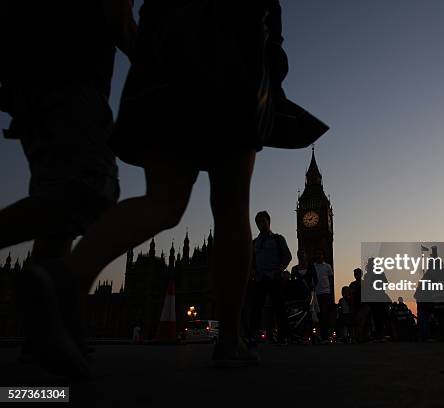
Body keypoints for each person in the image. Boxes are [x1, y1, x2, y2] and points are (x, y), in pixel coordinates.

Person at [21, 0, 324, 374]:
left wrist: (148, 53)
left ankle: (67, 273)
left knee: (162, 201)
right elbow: (267, 23)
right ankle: (230, 341)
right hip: (233, 64)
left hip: (164, 65)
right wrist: (272, 77)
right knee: (231, 207)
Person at [0, 0, 136, 377]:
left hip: (27, 90)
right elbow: (118, 18)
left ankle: (41, 336)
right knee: (90, 193)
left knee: (57, 223)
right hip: (72, 85)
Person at [249, 211, 292, 344]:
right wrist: (252, 270)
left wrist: (280, 269)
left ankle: (283, 336)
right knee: (256, 308)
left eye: (263, 221)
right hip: (260, 279)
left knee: (279, 307)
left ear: (269, 221)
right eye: (258, 222)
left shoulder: (278, 239)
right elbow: (251, 260)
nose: (260, 224)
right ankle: (253, 336)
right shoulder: (254, 242)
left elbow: (287, 256)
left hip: (274, 277)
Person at [313, 248, 334, 343]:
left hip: (325, 293)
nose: (319, 256)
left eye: (320, 254)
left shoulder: (328, 266)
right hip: (316, 293)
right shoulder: (313, 266)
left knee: (325, 314)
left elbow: (330, 280)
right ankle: (319, 335)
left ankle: (325, 336)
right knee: (318, 315)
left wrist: (331, 293)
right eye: (317, 254)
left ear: (323, 256)